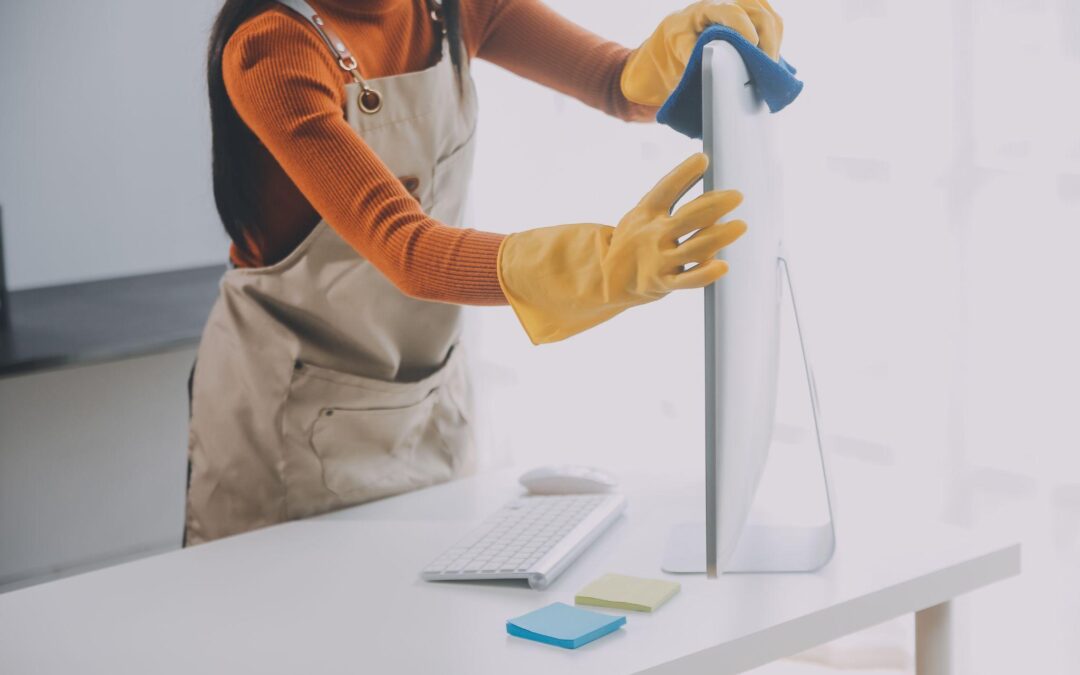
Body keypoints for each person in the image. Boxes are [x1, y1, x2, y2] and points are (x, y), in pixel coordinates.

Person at [186, 0, 784, 544]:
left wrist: (678, 54)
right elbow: (407, 250)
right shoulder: (274, 46)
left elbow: (614, 83)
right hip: (289, 413)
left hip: (425, 393)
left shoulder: (450, 8)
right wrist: (601, 265)